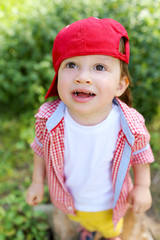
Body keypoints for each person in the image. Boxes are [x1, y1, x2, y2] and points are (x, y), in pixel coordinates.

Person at [26, 17, 155, 240]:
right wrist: (37, 183)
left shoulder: (129, 125)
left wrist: (142, 186)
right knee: (78, 219)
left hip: (108, 202)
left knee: (109, 228)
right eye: (71, 65)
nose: (83, 77)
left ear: (120, 85)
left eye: (99, 67)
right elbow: (40, 151)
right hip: (69, 198)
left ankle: (109, 235)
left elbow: (140, 156)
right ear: (58, 76)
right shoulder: (48, 120)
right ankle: (86, 229)